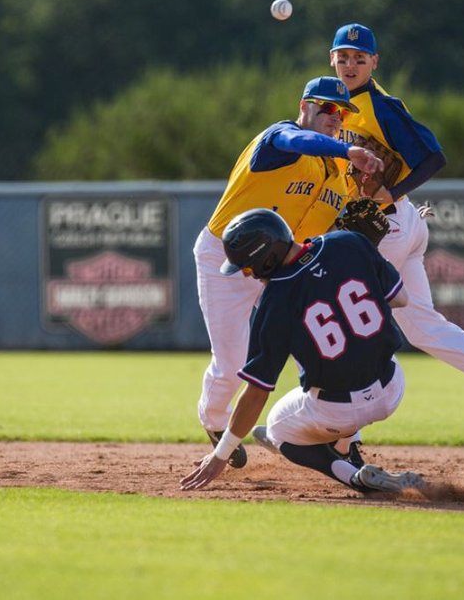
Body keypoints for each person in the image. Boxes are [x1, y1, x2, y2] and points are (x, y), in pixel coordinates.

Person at [327, 23, 464, 455]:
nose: (350, 64)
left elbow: (433, 156)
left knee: (339, 312)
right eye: (343, 57)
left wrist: (391, 193)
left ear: (374, 62)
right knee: (425, 327)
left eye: (359, 58)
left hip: (385, 228)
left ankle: (340, 438)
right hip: (400, 225)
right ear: (331, 59)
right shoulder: (338, 105)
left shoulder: (379, 105)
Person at [193, 76, 384, 468]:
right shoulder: (278, 139)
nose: (336, 117)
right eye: (327, 108)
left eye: (343, 112)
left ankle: (346, 443)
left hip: (282, 266)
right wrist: (349, 149)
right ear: (305, 105)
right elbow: (297, 142)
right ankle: (214, 422)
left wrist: (369, 201)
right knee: (231, 365)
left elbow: (338, 228)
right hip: (226, 259)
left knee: (322, 352)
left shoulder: (337, 172)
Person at [181, 208, 425, 493]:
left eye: (248, 266)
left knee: (277, 429)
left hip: (337, 410)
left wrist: (221, 455)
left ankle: (354, 476)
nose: (248, 274)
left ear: (266, 257)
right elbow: (400, 299)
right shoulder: (349, 242)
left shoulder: (275, 300)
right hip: (391, 387)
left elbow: (257, 392)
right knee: (360, 353)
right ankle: (343, 443)